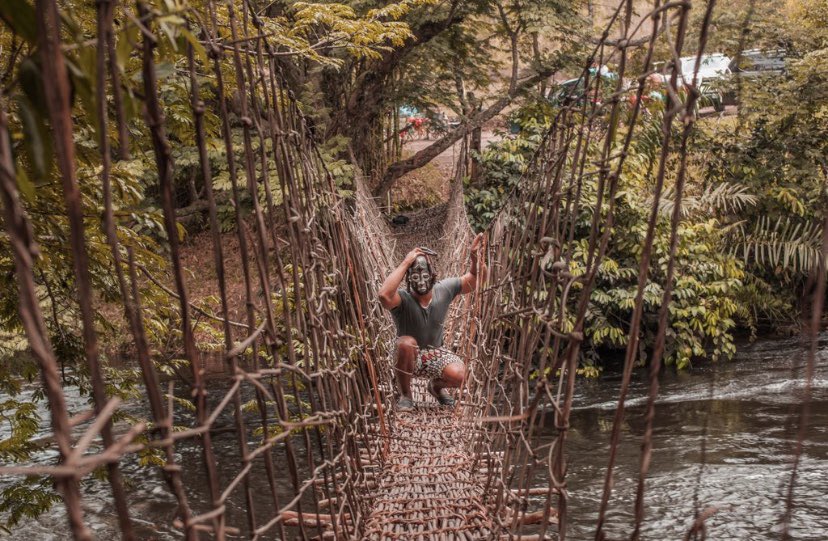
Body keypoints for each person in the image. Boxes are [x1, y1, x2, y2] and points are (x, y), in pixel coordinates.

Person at [378, 233, 487, 412]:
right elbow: (383, 295)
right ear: (407, 279)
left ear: (433, 275)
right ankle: (406, 395)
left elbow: (477, 279)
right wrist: (406, 262)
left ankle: (435, 388)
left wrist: (475, 257)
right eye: (414, 276)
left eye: (424, 274)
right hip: (407, 357)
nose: (421, 280)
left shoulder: (444, 289)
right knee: (406, 343)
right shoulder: (402, 299)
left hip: (436, 353)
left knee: (461, 375)